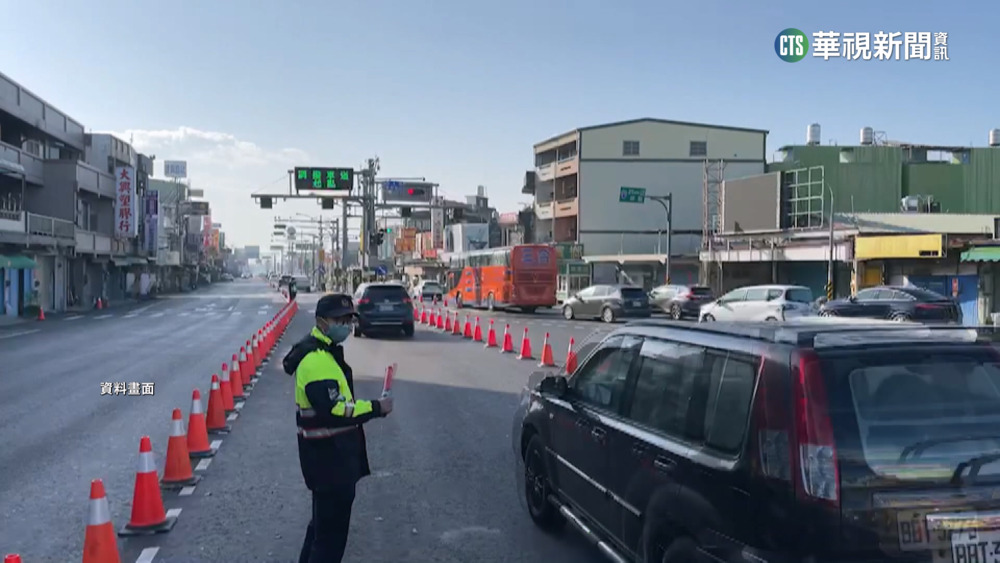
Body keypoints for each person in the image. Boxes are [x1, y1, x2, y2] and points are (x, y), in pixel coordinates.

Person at [282, 293, 393, 563]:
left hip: (328, 459)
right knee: (330, 541)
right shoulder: (317, 360)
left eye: (348, 319)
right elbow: (337, 411)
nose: (346, 325)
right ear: (321, 322)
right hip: (330, 461)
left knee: (321, 531)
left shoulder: (324, 352)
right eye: (339, 320)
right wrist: (378, 407)